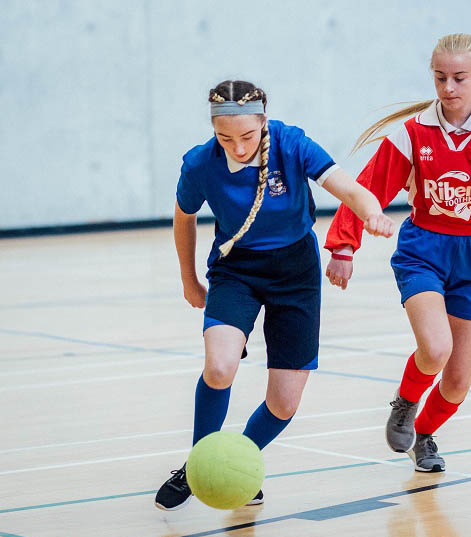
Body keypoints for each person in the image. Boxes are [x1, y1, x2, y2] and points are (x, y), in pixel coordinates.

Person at [154, 80, 395, 511]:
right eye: (225, 137)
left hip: (295, 273)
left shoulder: (291, 143)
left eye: (247, 136)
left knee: (284, 402)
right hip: (236, 268)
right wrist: (189, 279)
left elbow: (346, 186)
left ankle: (236, 464)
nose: (238, 146)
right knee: (220, 365)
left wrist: (371, 211)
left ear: (264, 120)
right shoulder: (199, 164)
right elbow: (183, 217)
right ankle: (198, 464)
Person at [324, 34, 471, 472]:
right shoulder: (414, 133)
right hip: (424, 250)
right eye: (440, 78)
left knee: (456, 383)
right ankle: (405, 402)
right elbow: (368, 188)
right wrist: (343, 244)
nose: (448, 87)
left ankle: (425, 435)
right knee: (435, 350)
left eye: (459, 78)